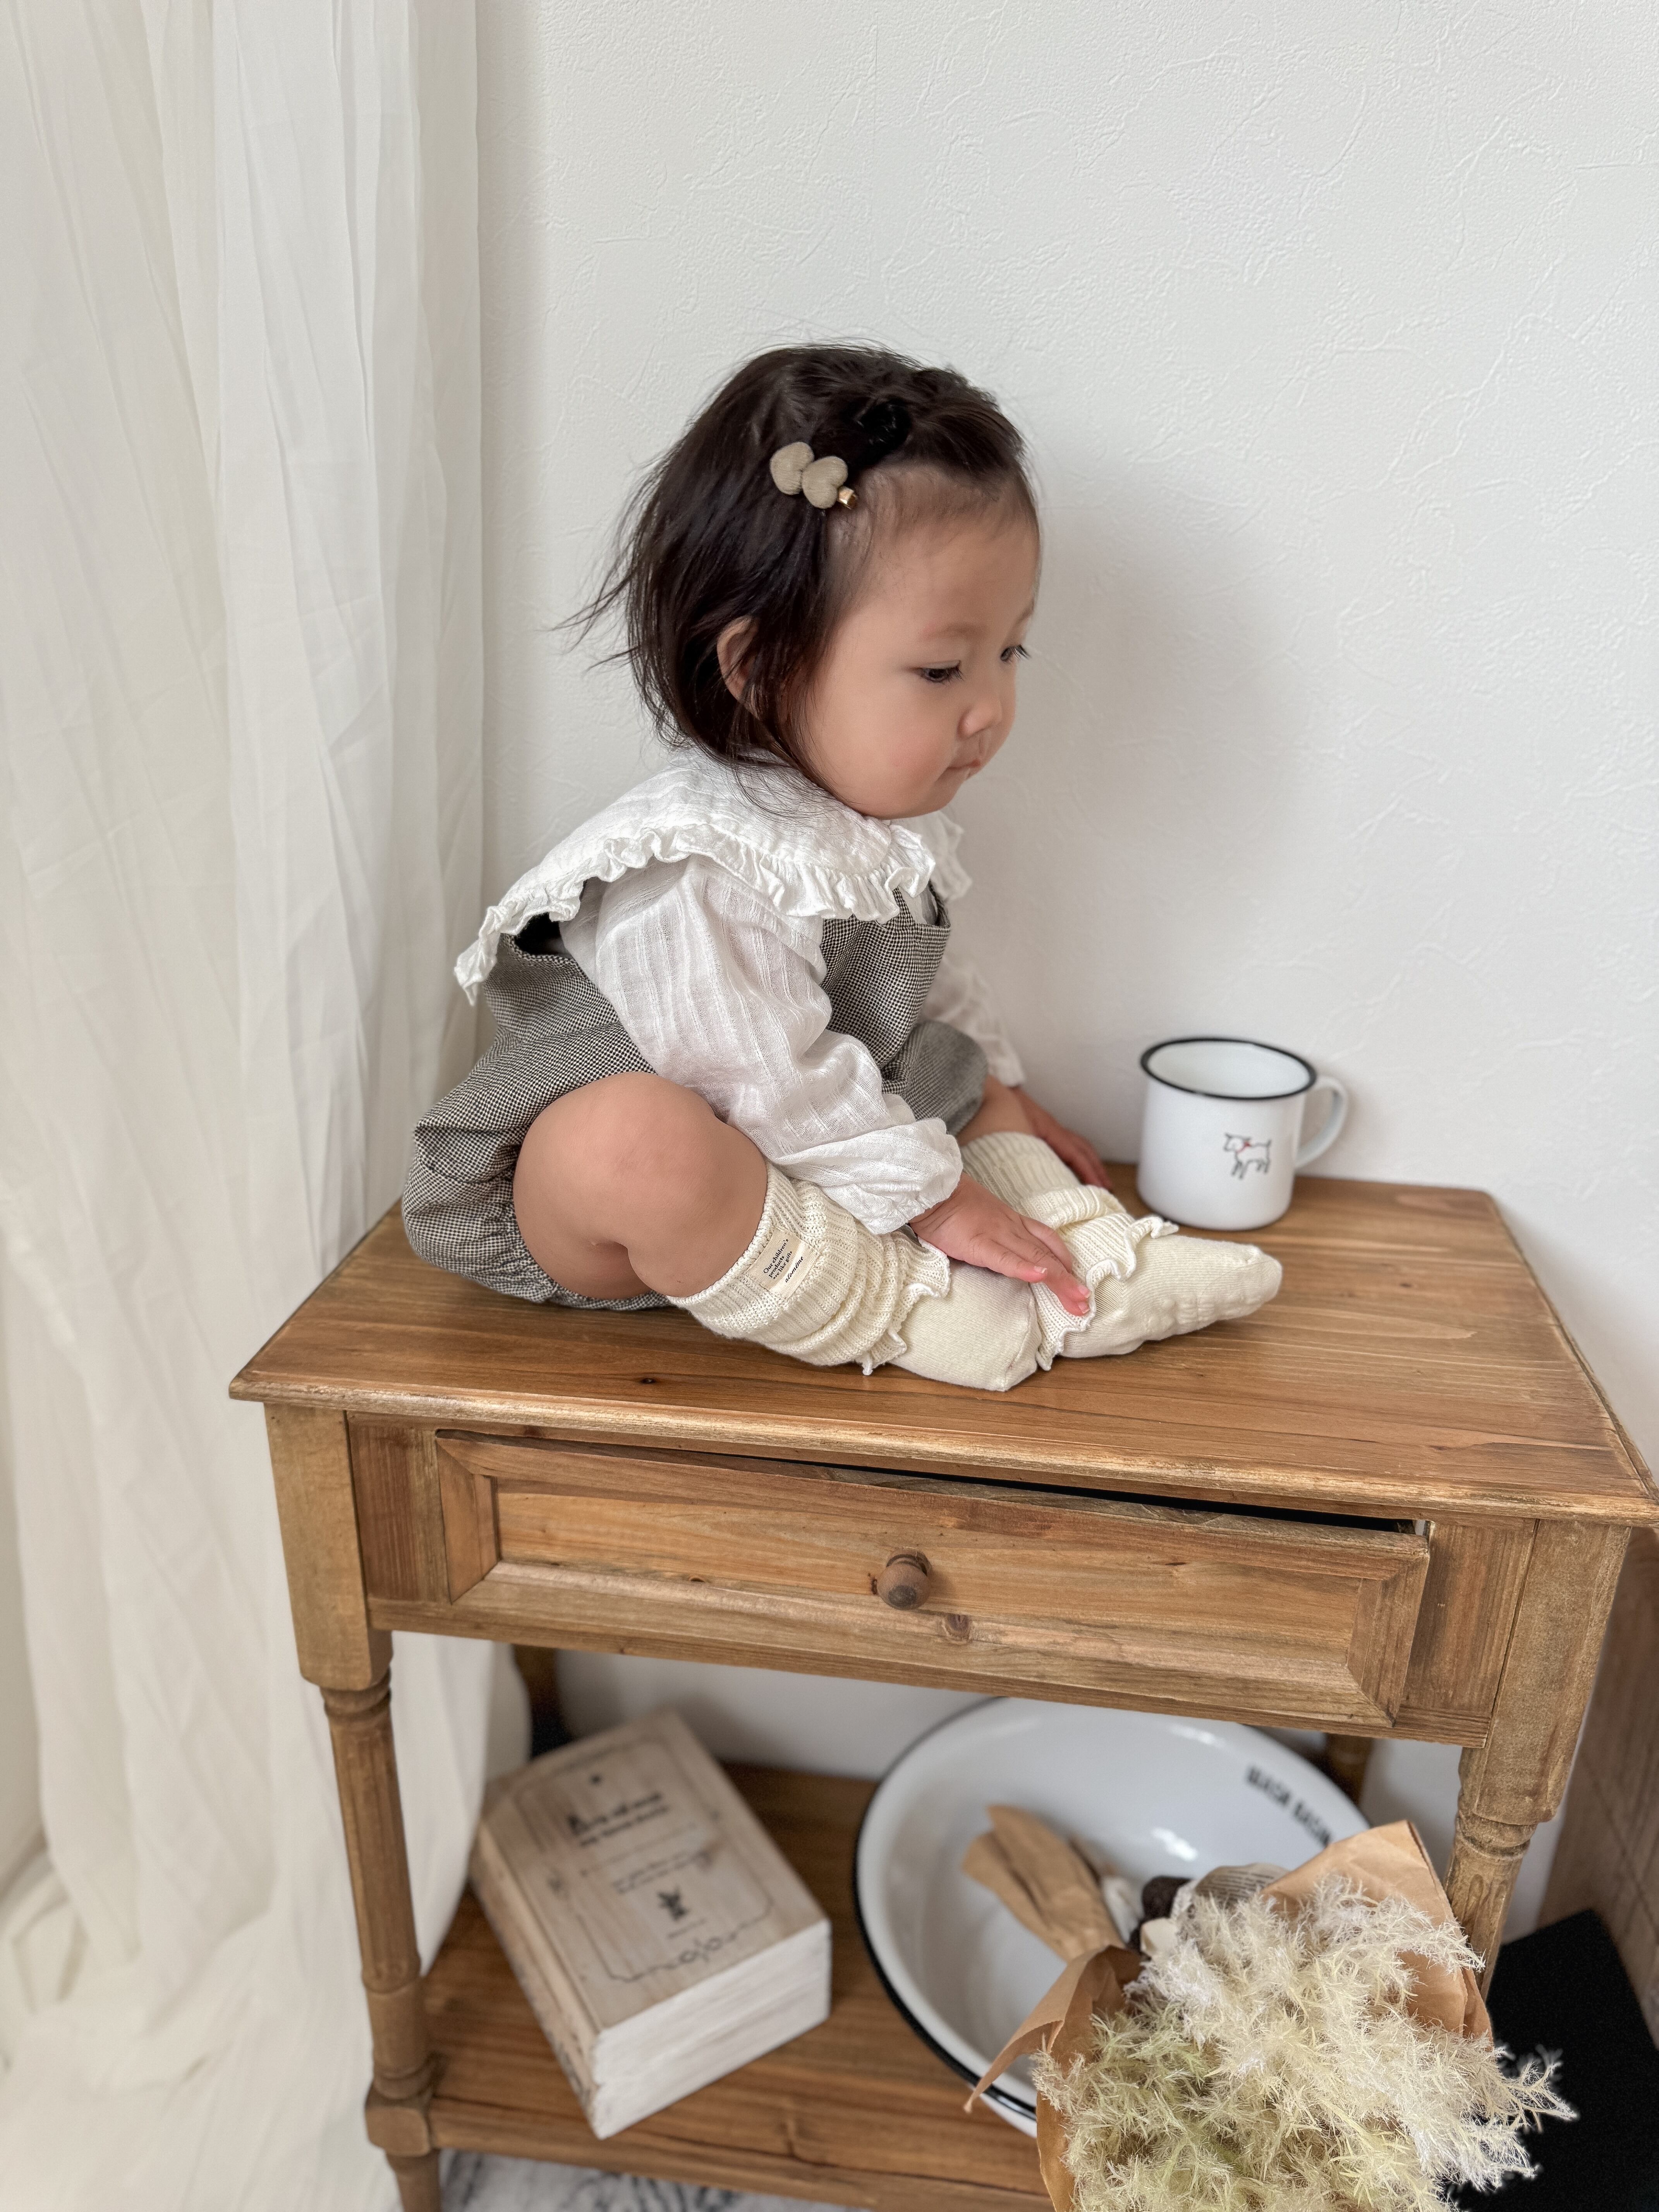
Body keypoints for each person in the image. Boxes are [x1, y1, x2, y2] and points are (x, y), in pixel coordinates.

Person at [405, 345, 1279, 1391]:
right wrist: (936, 1201)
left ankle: (1084, 1262)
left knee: (957, 1061)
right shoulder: (695, 861)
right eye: (942, 668)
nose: (990, 708)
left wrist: (1005, 1098)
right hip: (650, 1204)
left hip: (816, 1150)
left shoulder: (882, 829)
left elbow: (930, 983)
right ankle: (909, 1308)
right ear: (760, 670)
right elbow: (755, 1073)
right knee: (628, 1144)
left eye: (1010, 653)